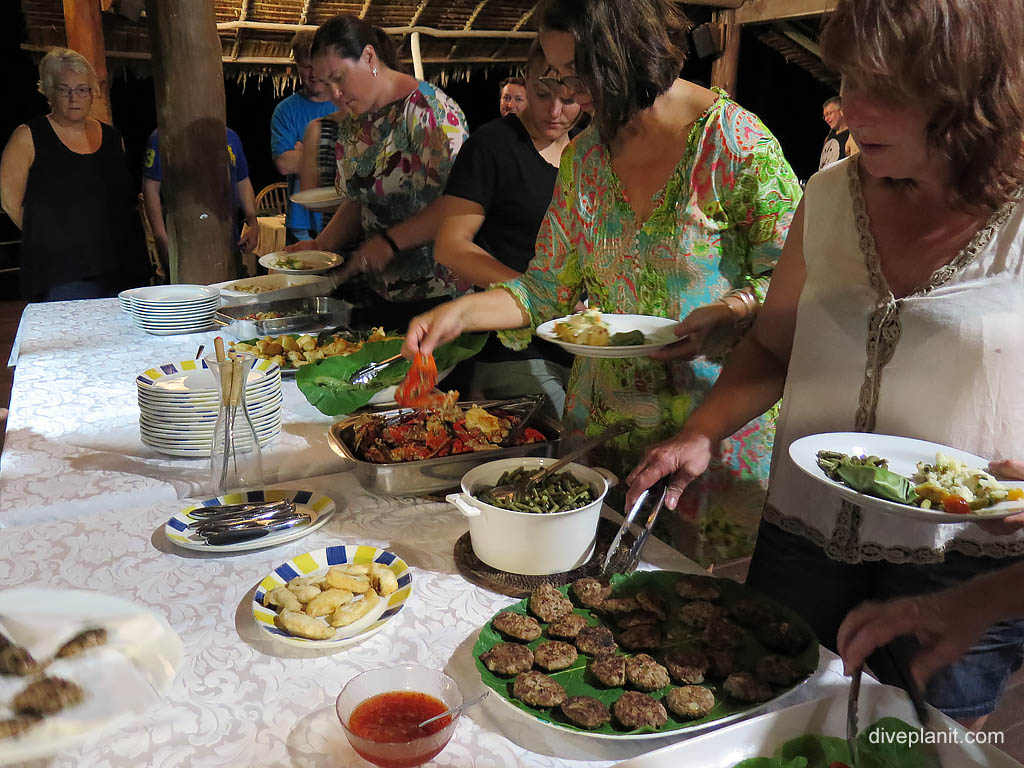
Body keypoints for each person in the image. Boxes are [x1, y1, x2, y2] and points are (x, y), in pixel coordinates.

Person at [626, 0, 1024, 726]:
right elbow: (774, 345)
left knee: (917, 742)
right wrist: (700, 433)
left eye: (886, 85)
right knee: (771, 717)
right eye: (847, 78)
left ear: (970, 86)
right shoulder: (830, 196)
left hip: (962, 556)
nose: (848, 107)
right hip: (805, 529)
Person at [404, 0, 801, 564]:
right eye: (555, 74)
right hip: (602, 439)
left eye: (578, 72)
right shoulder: (586, 158)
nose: (567, 91)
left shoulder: (734, 146)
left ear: (626, 51)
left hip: (711, 437)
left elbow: (797, 281)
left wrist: (732, 310)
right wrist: (459, 315)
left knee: (694, 617)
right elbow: (546, 291)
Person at [292, 15, 469, 328]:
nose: (334, 93)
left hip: (440, 294)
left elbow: (462, 203)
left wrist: (390, 241)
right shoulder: (355, 121)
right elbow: (361, 198)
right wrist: (320, 247)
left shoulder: (429, 111)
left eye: (339, 77)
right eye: (325, 83)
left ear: (369, 57)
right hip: (383, 292)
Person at [435, 41, 580, 418]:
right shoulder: (493, 144)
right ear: (526, 82)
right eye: (542, 94)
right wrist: (536, 296)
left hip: (579, 341)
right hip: (507, 344)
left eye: (569, 99)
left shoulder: (589, 156)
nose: (554, 111)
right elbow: (450, 247)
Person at [0, 47, 148, 301]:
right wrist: (53, 240)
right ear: (49, 91)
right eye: (63, 89)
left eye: (82, 89)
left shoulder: (113, 138)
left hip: (124, 267)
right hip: (65, 274)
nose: (73, 98)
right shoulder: (28, 137)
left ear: (92, 94)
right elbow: (10, 203)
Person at [142, 127, 258, 276]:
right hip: (185, 245)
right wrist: (160, 236)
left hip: (227, 242)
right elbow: (150, 187)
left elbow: (242, 180)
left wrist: (253, 223)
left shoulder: (230, 136)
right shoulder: (163, 136)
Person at [271, 31, 335, 243]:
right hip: (301, 227)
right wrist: (332, 152)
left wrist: (305, 151)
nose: (312, 72)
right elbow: (284, 164)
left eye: (316, 64)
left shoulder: (347, 104)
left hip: (342, 219)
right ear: (297, 66)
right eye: (305, 66)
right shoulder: (285, 110)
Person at [819, 96, 858, 170]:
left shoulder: (852, 136)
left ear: (842, 111)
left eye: (829, 113)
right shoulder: (828, 137)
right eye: (824, 116)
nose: (826, 119)